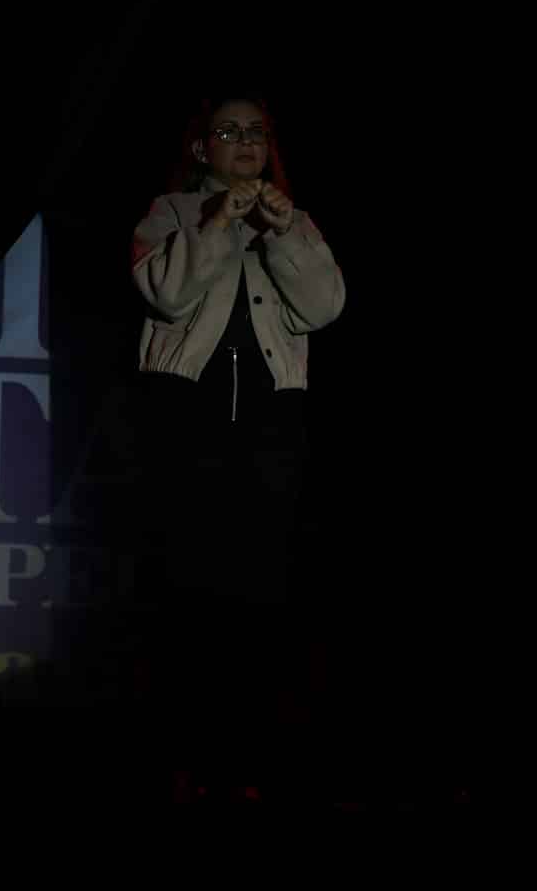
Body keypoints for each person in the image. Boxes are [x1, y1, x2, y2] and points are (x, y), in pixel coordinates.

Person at [126, 92, 345, 791]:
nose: (246, 141)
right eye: (229, 131)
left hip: (271, 415)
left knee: (262, 583)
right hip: (184, 410)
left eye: (256, 131)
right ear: (202, 148)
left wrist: (282, 234)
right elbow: (167, 292)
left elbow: (324, 306)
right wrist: (219, 221)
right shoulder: (170, 212)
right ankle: (183, 754)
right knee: (187, 580)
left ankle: (252, 754)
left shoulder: (294, 219)